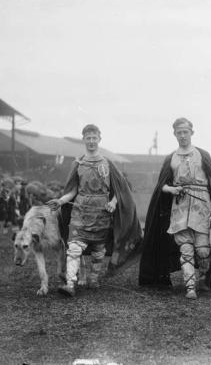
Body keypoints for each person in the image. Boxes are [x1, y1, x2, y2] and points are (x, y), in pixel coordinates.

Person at [48, 124, 142, 297]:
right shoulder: (77, 163)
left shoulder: (108, 164)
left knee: (99, 250)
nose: (91, 141)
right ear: (83, 139)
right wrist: (60, 201)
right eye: (88, 138)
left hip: (102, 213)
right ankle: (70, 283)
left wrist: (113, 202)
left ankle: (93, 278)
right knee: (75, 247)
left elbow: (120, 190)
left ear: (99, 139)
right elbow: (73, 191)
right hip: (80, 211)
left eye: (94, 138)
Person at [138, 118, 211, 299]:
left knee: (202, 250)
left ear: (191, 133)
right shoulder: (171, 158)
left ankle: (203, 275)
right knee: (185, 249)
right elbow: (161, 185)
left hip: (202, 206)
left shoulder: (203, 155)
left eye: (186, 132)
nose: (183, 135)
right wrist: (172, 189)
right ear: (175, 134)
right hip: (180, 208)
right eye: (179, 132)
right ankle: (190, 287)